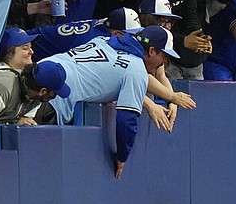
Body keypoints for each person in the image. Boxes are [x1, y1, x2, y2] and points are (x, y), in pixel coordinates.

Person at [41, 24, 179, 178]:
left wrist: (170, 97)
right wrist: (122, 157)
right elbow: (127, 120)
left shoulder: (104, 40)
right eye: (165, 57)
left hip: (39, 71)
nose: (164, 63)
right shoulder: (136, 70)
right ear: (152, 51)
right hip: (53, 98)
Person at [28, 7, 143, 61]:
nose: (135, 39)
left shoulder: (104, 26)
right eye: (132, 35)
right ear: (117, 34)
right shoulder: (93, 40)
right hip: (30, 49)